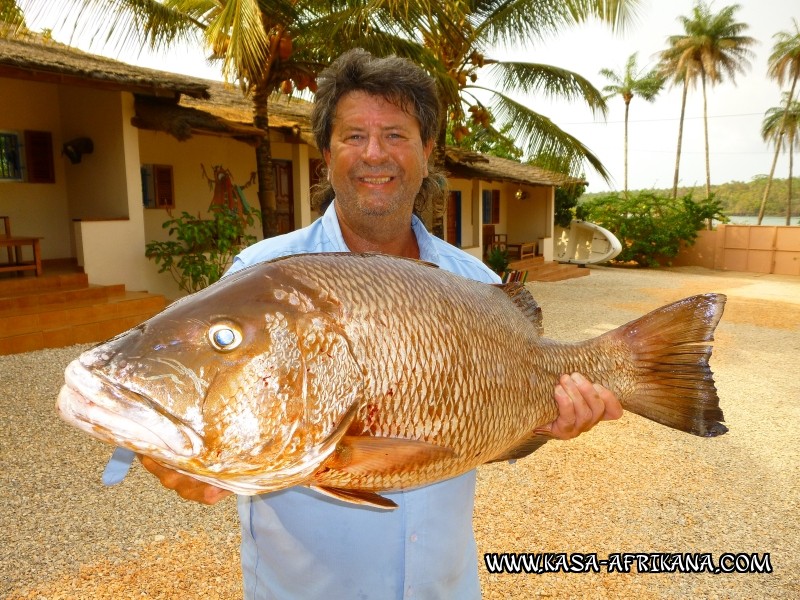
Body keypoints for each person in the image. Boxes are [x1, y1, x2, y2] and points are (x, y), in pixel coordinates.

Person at [140, 48, 622, 599]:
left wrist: (548, 417)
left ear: (426, 152)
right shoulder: (260, 279)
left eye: (395, 134)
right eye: (353, 136)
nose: (375, 154)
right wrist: (172, 456)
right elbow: (193, 382)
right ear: (326, 153)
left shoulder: (473, 281)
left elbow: (495, 410)